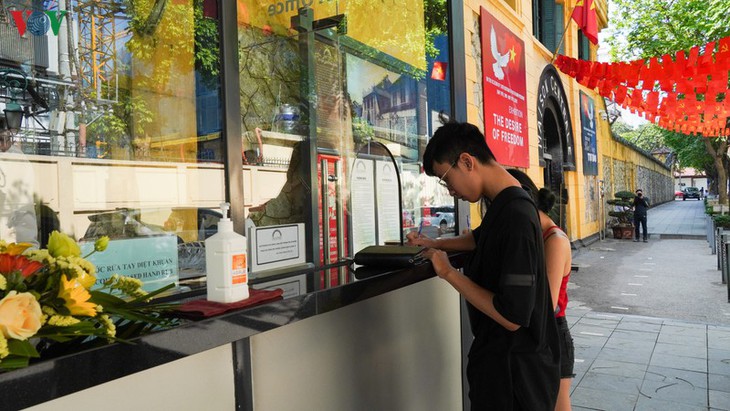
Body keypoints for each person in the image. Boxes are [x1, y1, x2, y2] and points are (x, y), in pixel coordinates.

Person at [406, 121, 560, 410]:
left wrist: (448, 272)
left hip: (514, 381)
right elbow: (478, 239)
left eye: (446, 179)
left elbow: (512, 315)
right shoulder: (506, 202)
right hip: (504, 368)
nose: (450, 191)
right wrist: (434, 243)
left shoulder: (516, 215)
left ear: (467, 162)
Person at [507, 169, 574, 411]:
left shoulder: (554, 240)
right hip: (535, 332)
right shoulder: (532, 234)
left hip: (551, 333)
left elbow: (547, 304)